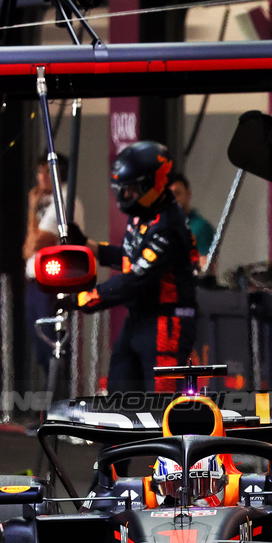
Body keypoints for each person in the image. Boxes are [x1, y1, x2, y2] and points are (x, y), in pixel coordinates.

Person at [76, 141, 198, 393]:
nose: (126, 196)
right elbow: (131, 257)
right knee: (120, 395)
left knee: (161, 407)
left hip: (166, 323)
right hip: (138, 320)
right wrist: (88, 246)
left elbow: (136, 279)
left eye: (131, 189)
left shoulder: (168, 227)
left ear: (152, 184)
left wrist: (87, 298)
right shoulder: (143, 214)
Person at [24, 154, 85, 382]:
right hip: (35, 282)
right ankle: (50, 407)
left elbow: (36, 245)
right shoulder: (45, 202)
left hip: (54, 284)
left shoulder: (65, 200)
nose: (40, 177)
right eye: (38, 172)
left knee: (54, 346)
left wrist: (31, 210)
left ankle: (62, 406)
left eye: (45, 171)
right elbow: (26, 250)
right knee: (40, 347)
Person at [168, 172, 215, 270]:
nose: (173, 199)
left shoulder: (201, 227)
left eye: (177, 193)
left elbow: (206, 268)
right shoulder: (160, 225)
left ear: (188, 194)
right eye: (169, 195)